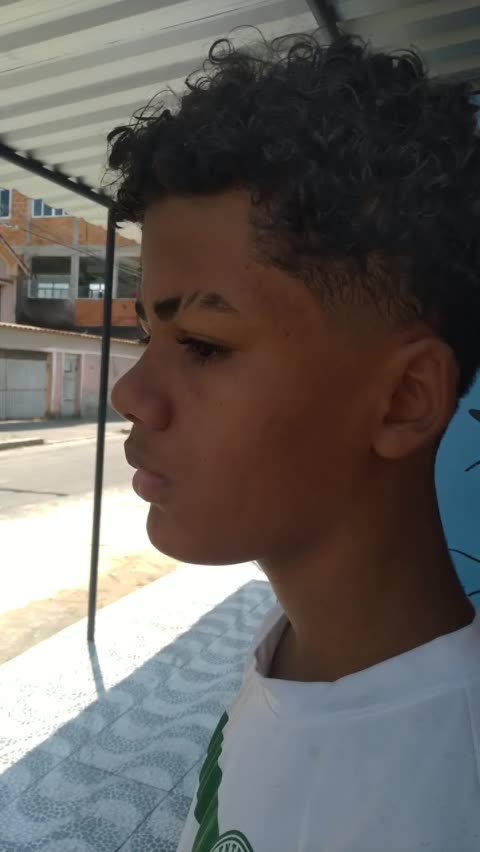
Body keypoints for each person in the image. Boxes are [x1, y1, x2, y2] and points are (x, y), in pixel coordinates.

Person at [109, 32, 480, 852]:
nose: (130, 394)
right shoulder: (295, 654)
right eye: (145, 336)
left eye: (203, 344)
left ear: (404, 400)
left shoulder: (449, 796)